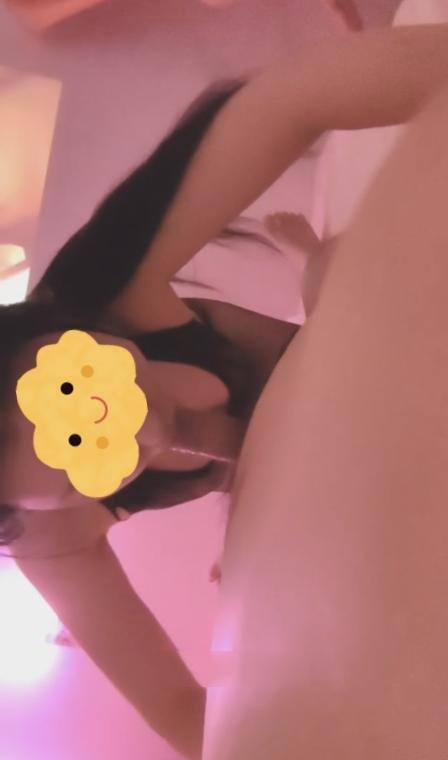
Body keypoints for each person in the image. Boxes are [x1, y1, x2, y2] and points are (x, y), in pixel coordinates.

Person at [1, 20, 448, 760]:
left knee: (333, 274)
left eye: (61, 394)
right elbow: (182, 712)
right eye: (81, 473)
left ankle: (308, 257)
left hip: (357, 347)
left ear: (42, 334)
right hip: (335, 460)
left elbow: (284, 103)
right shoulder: (50, 539)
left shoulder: (109, 281)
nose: (133, 433)